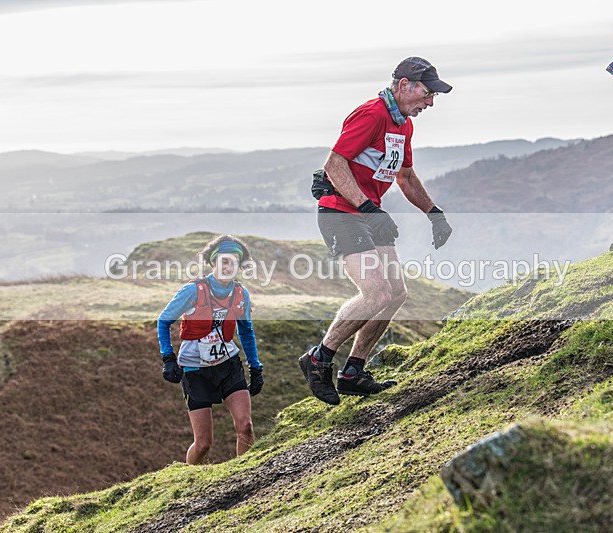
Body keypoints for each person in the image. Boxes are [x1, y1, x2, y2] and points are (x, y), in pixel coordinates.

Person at [299, 57, 454, 405]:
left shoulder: (403, 125)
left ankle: (353, 371)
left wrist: (434, 213)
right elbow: (334, 164)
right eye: (427, 94)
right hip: (341, 212)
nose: (430, 103)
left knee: (396, 293)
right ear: (404, 85)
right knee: (376, 293)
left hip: (369, 214)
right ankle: (318, 359)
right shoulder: (371, 114)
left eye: (433, 97)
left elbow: (406, 177)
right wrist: (368, 208)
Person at [157, 235, 263, 464]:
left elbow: (246, 330)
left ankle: (244, 475)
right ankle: (188, 477)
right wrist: (168, 358)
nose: (228, 267)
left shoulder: (241, 294)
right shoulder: (193, 291)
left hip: (228, 365)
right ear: (213, 262)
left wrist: (256, 368)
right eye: (224, 261)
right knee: (203, 444)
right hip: (195, 369)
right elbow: (163, 321)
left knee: (246, 426)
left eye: (234, 262)